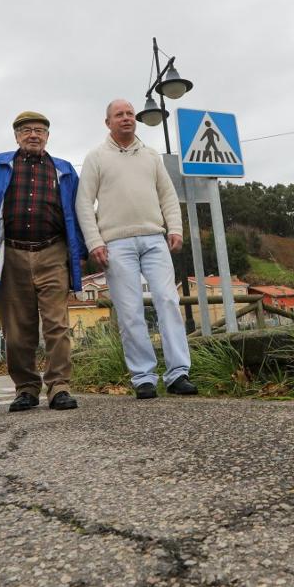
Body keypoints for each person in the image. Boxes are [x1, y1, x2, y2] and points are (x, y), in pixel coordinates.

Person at [75, 99, 198, 399]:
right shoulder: (96, 157)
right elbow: (83, 203)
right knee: (130, 312)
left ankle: (178, 374)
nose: (127, 118)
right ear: (108, 123)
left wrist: (176, 229)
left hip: (155, 239)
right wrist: (95, 242)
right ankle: (143, 377)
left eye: (130, 114)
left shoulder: (151, 156)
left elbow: (168, 195)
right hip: (116, 244)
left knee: (168, 300)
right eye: (119, 115)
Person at [0, 112, 85, 412]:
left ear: (48, 136)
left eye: (39, 130)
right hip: (12, 255)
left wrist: (80, 252)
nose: (33, 135)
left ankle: (59, 386)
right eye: (26, 130)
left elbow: (78, 212)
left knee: (56, 324)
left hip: (52, 252)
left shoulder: (65, 170)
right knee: (17, 329)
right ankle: (26, 388)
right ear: (16, 136)